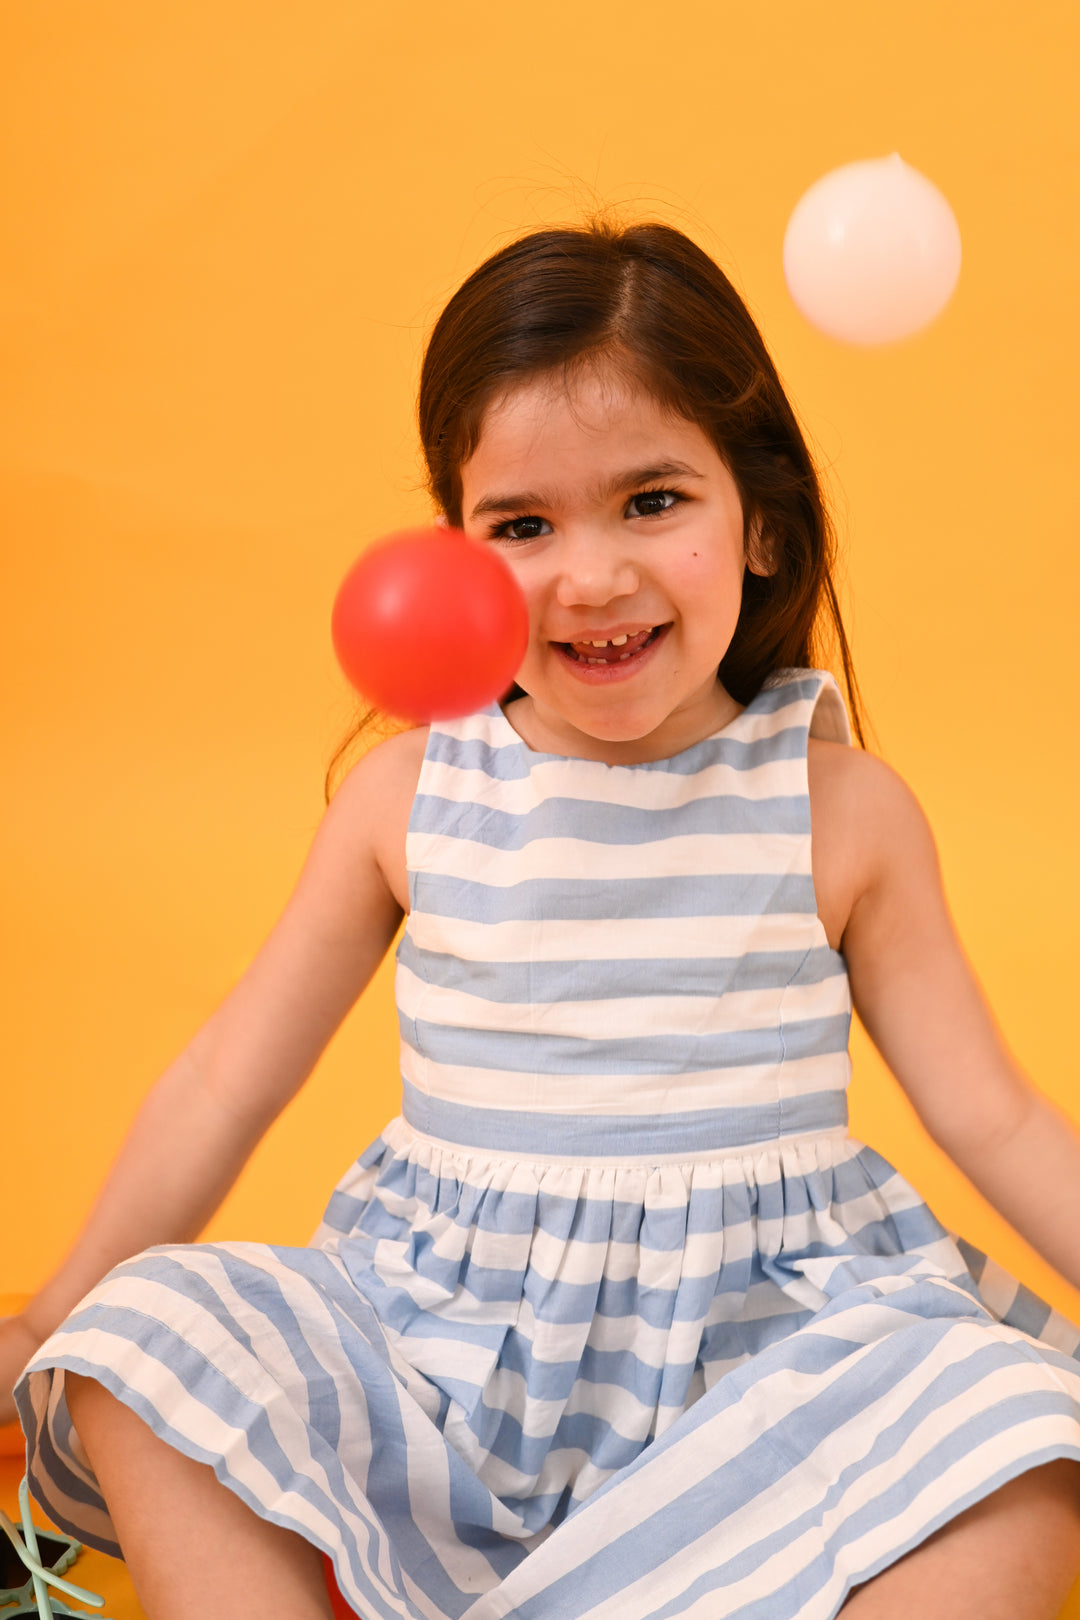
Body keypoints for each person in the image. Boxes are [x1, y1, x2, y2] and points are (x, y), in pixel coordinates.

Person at [4, 218, 1080, 1620]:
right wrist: (53, 1306)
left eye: (652, 501)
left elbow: (990, 1114)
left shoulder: (839, 810)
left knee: (1018, 1444)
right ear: (451, 555)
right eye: (522, 525)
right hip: (443, 1384)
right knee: (138, 1345)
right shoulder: (409, 797)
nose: (591, 577)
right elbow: (225, 1079)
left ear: (761, 521)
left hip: (762, 1391)